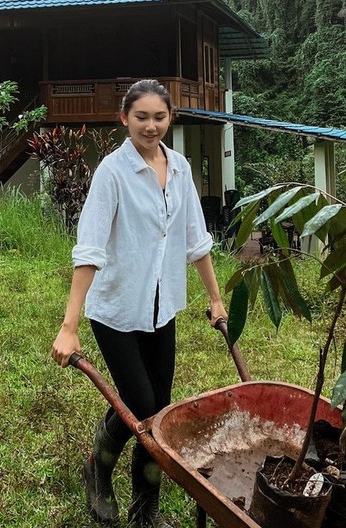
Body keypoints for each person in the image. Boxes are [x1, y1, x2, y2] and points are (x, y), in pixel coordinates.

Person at [52, 79, 228, 528]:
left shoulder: (181, 168)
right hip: (116, 309)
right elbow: (89, 251)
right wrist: (69, 326)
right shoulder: (112, 173)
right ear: (124, 118)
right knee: (141, 406)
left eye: (159, 117)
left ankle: (144, 508)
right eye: (141, 117)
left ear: (171, 118)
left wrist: (215, 298)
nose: (151, 126)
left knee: (158, 412)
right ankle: (99, 470)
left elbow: (196, 239)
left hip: (162, 307)